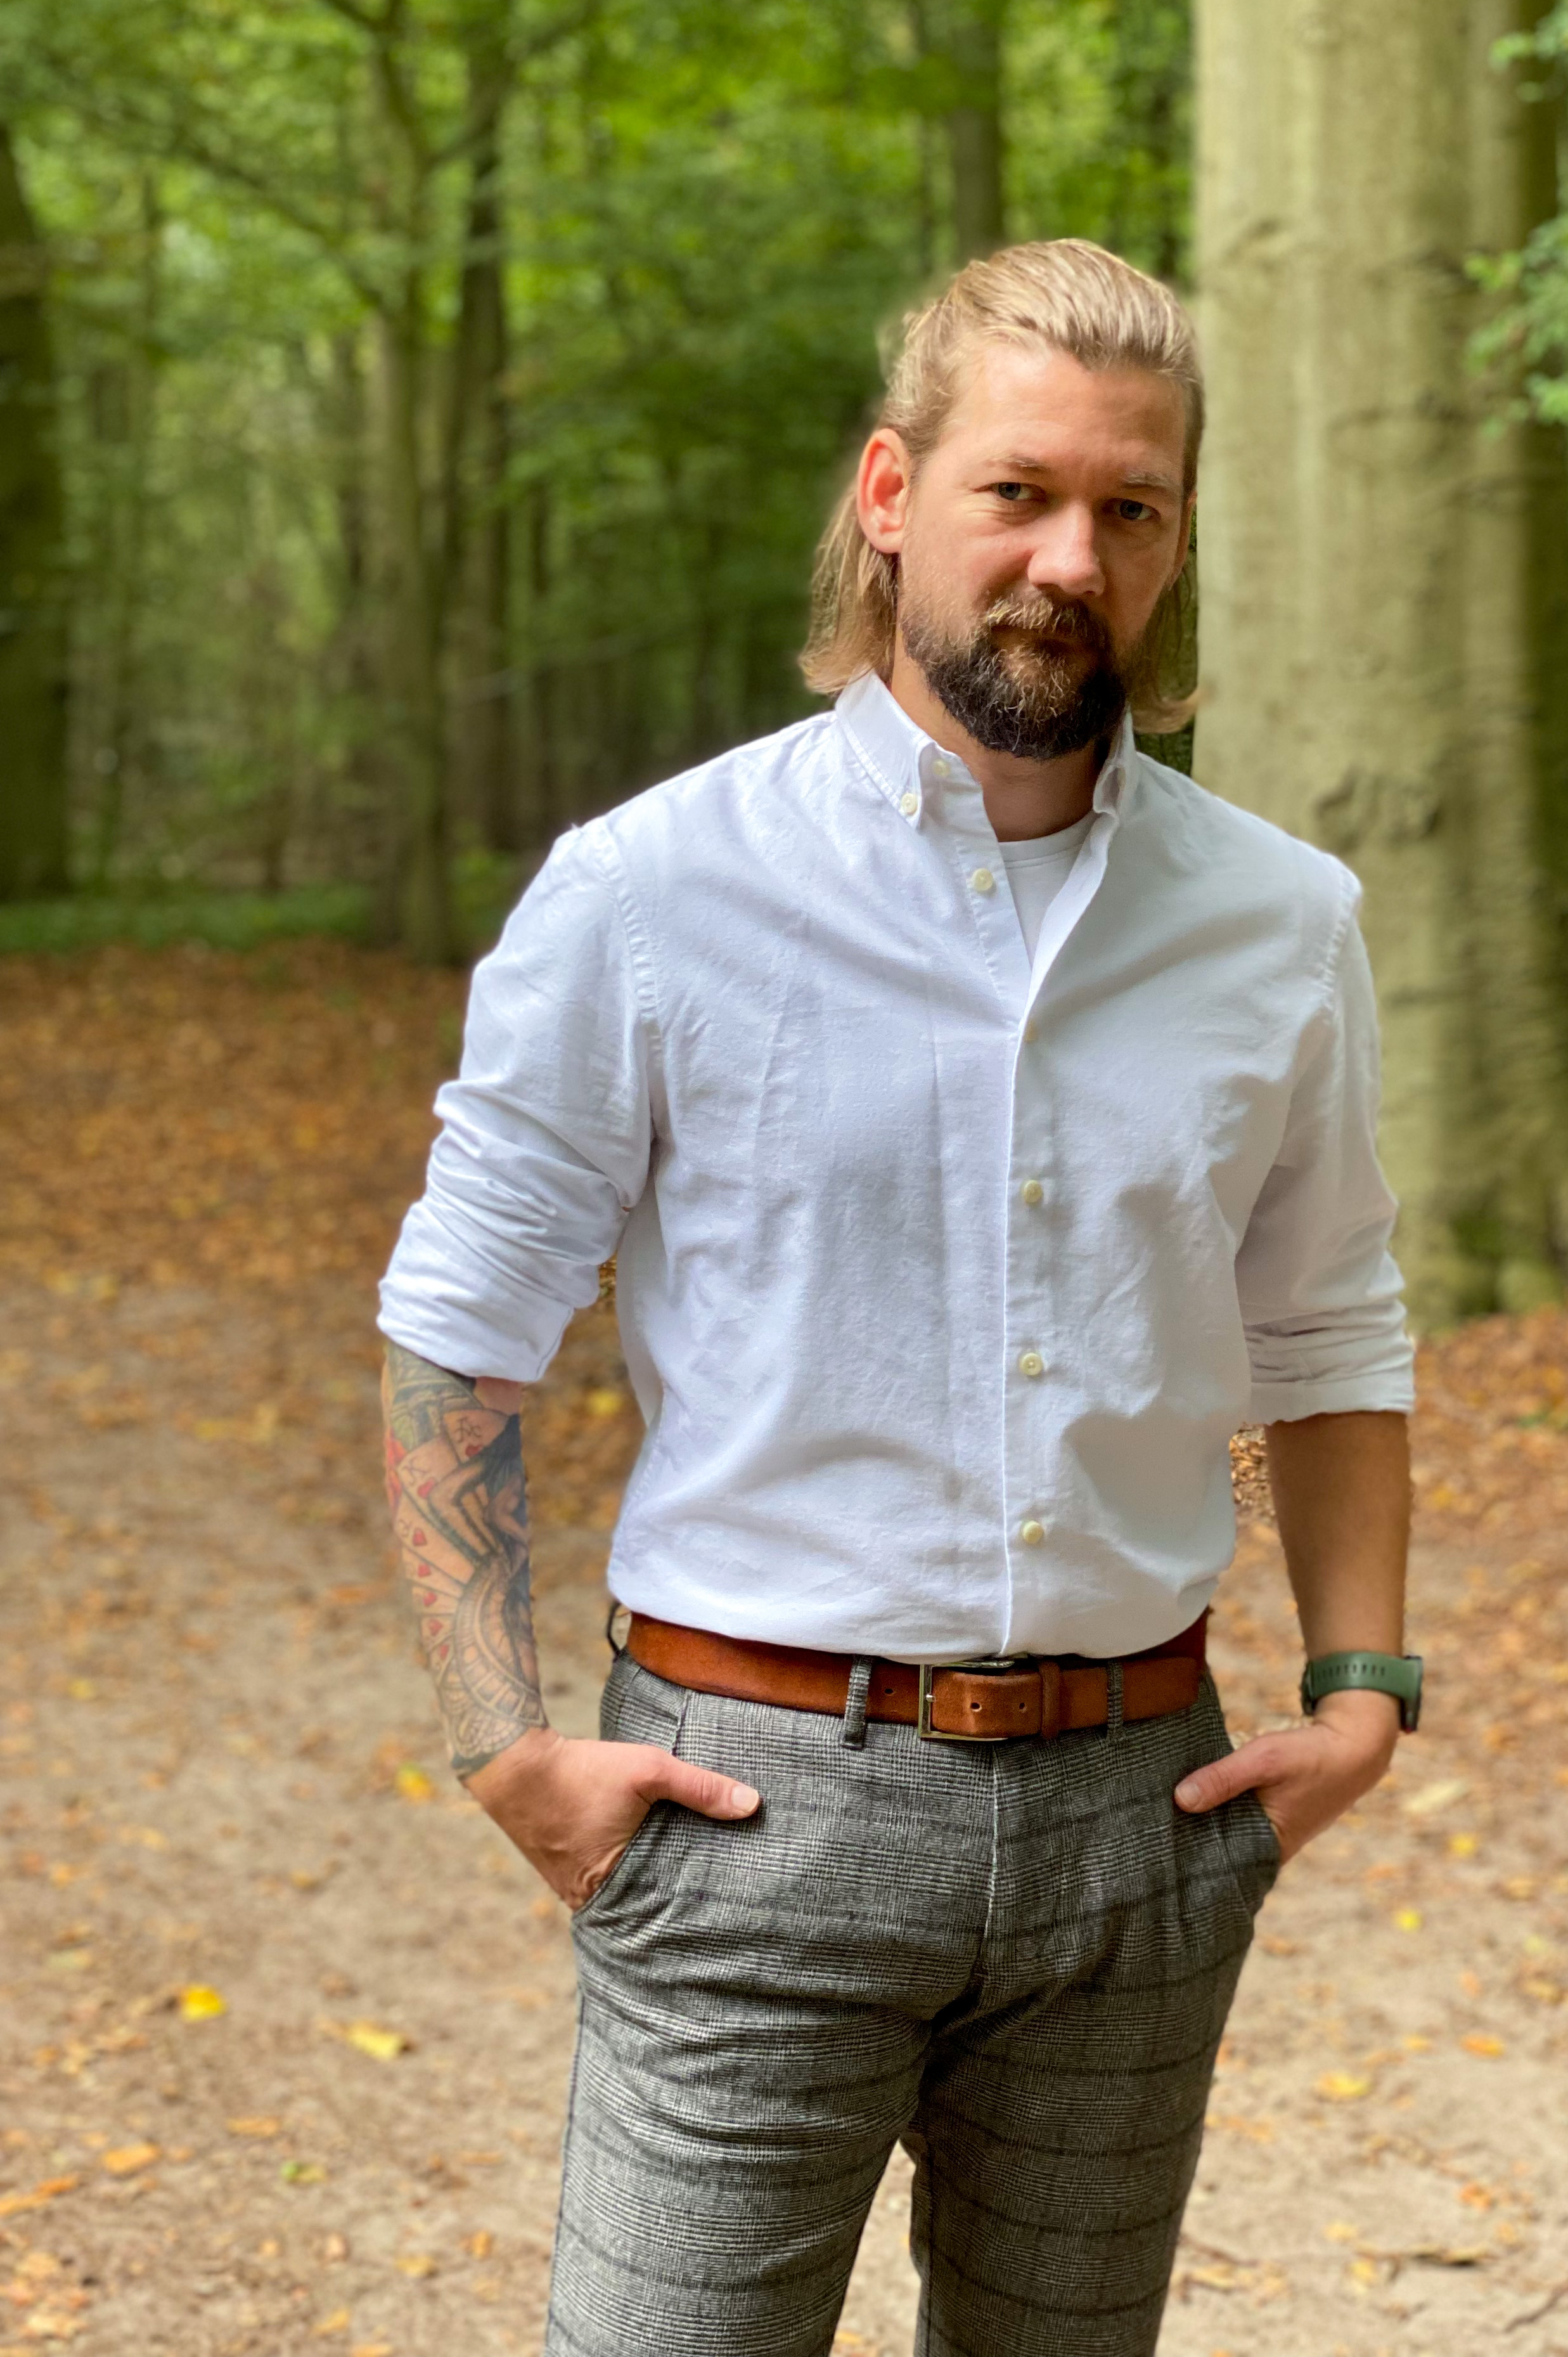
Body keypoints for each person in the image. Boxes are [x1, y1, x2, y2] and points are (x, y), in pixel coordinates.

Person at [376, 236, 1419, 2357]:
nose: (1070, 559)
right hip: (754, 1806)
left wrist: (1363, 1690)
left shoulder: (1281, 922)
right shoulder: (652, 891)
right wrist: (503, 1747)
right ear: (889, 494)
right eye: (1016, 492)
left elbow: (1328, 1326)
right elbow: (463, 1326)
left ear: (1178, 540)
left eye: (1131, 508)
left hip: (1144, 1811)